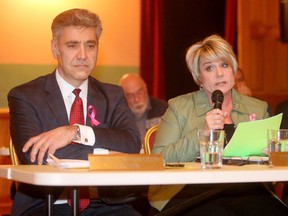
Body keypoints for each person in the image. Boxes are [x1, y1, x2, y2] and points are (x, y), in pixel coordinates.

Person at [8, 8, 142, 216]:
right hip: (46, 205)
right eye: (72, 45)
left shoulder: (113, 95)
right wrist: (107, 155)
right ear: (55, 49)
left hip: (106, 205)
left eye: (90, 45)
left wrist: (77, 132)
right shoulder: (25, 96)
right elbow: (35, 157)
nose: (83, 55)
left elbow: (131, 143)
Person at [148, 35, 288, 215]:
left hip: (245, 188)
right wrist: (202, 134)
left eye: (224, 65)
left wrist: (274, 155)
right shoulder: (180, 107)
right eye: (209, 68)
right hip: (188, 191)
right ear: (199, 77)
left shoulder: (257, 108)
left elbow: (278, 161)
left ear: (233, 70)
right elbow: (159, 158)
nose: (219, 73)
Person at [119, 73, 168, 145]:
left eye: (139, 92)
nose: (136, 99)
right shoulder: (119, 116)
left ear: (146, 89)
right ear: (123, 97)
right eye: (130, 95)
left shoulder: (164, 110)